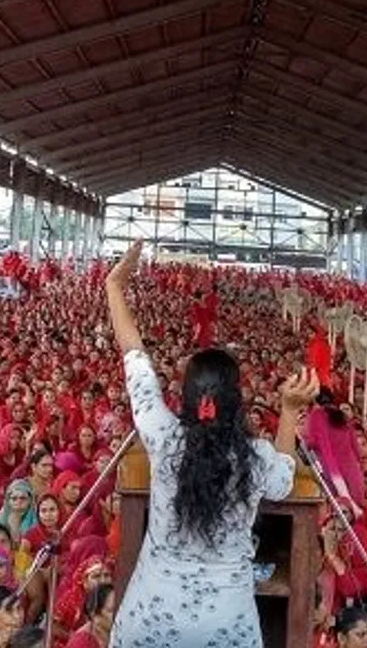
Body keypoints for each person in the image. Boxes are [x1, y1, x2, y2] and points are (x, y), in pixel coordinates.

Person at [103, 241, 316, 648]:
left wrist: (115, 286)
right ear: (237, 400)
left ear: (185, 396)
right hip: (226, 624)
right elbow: (284, 480)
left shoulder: (163, 439)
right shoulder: (254, 459)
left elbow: (136, 357)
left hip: (151, 619)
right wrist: (289, 411)